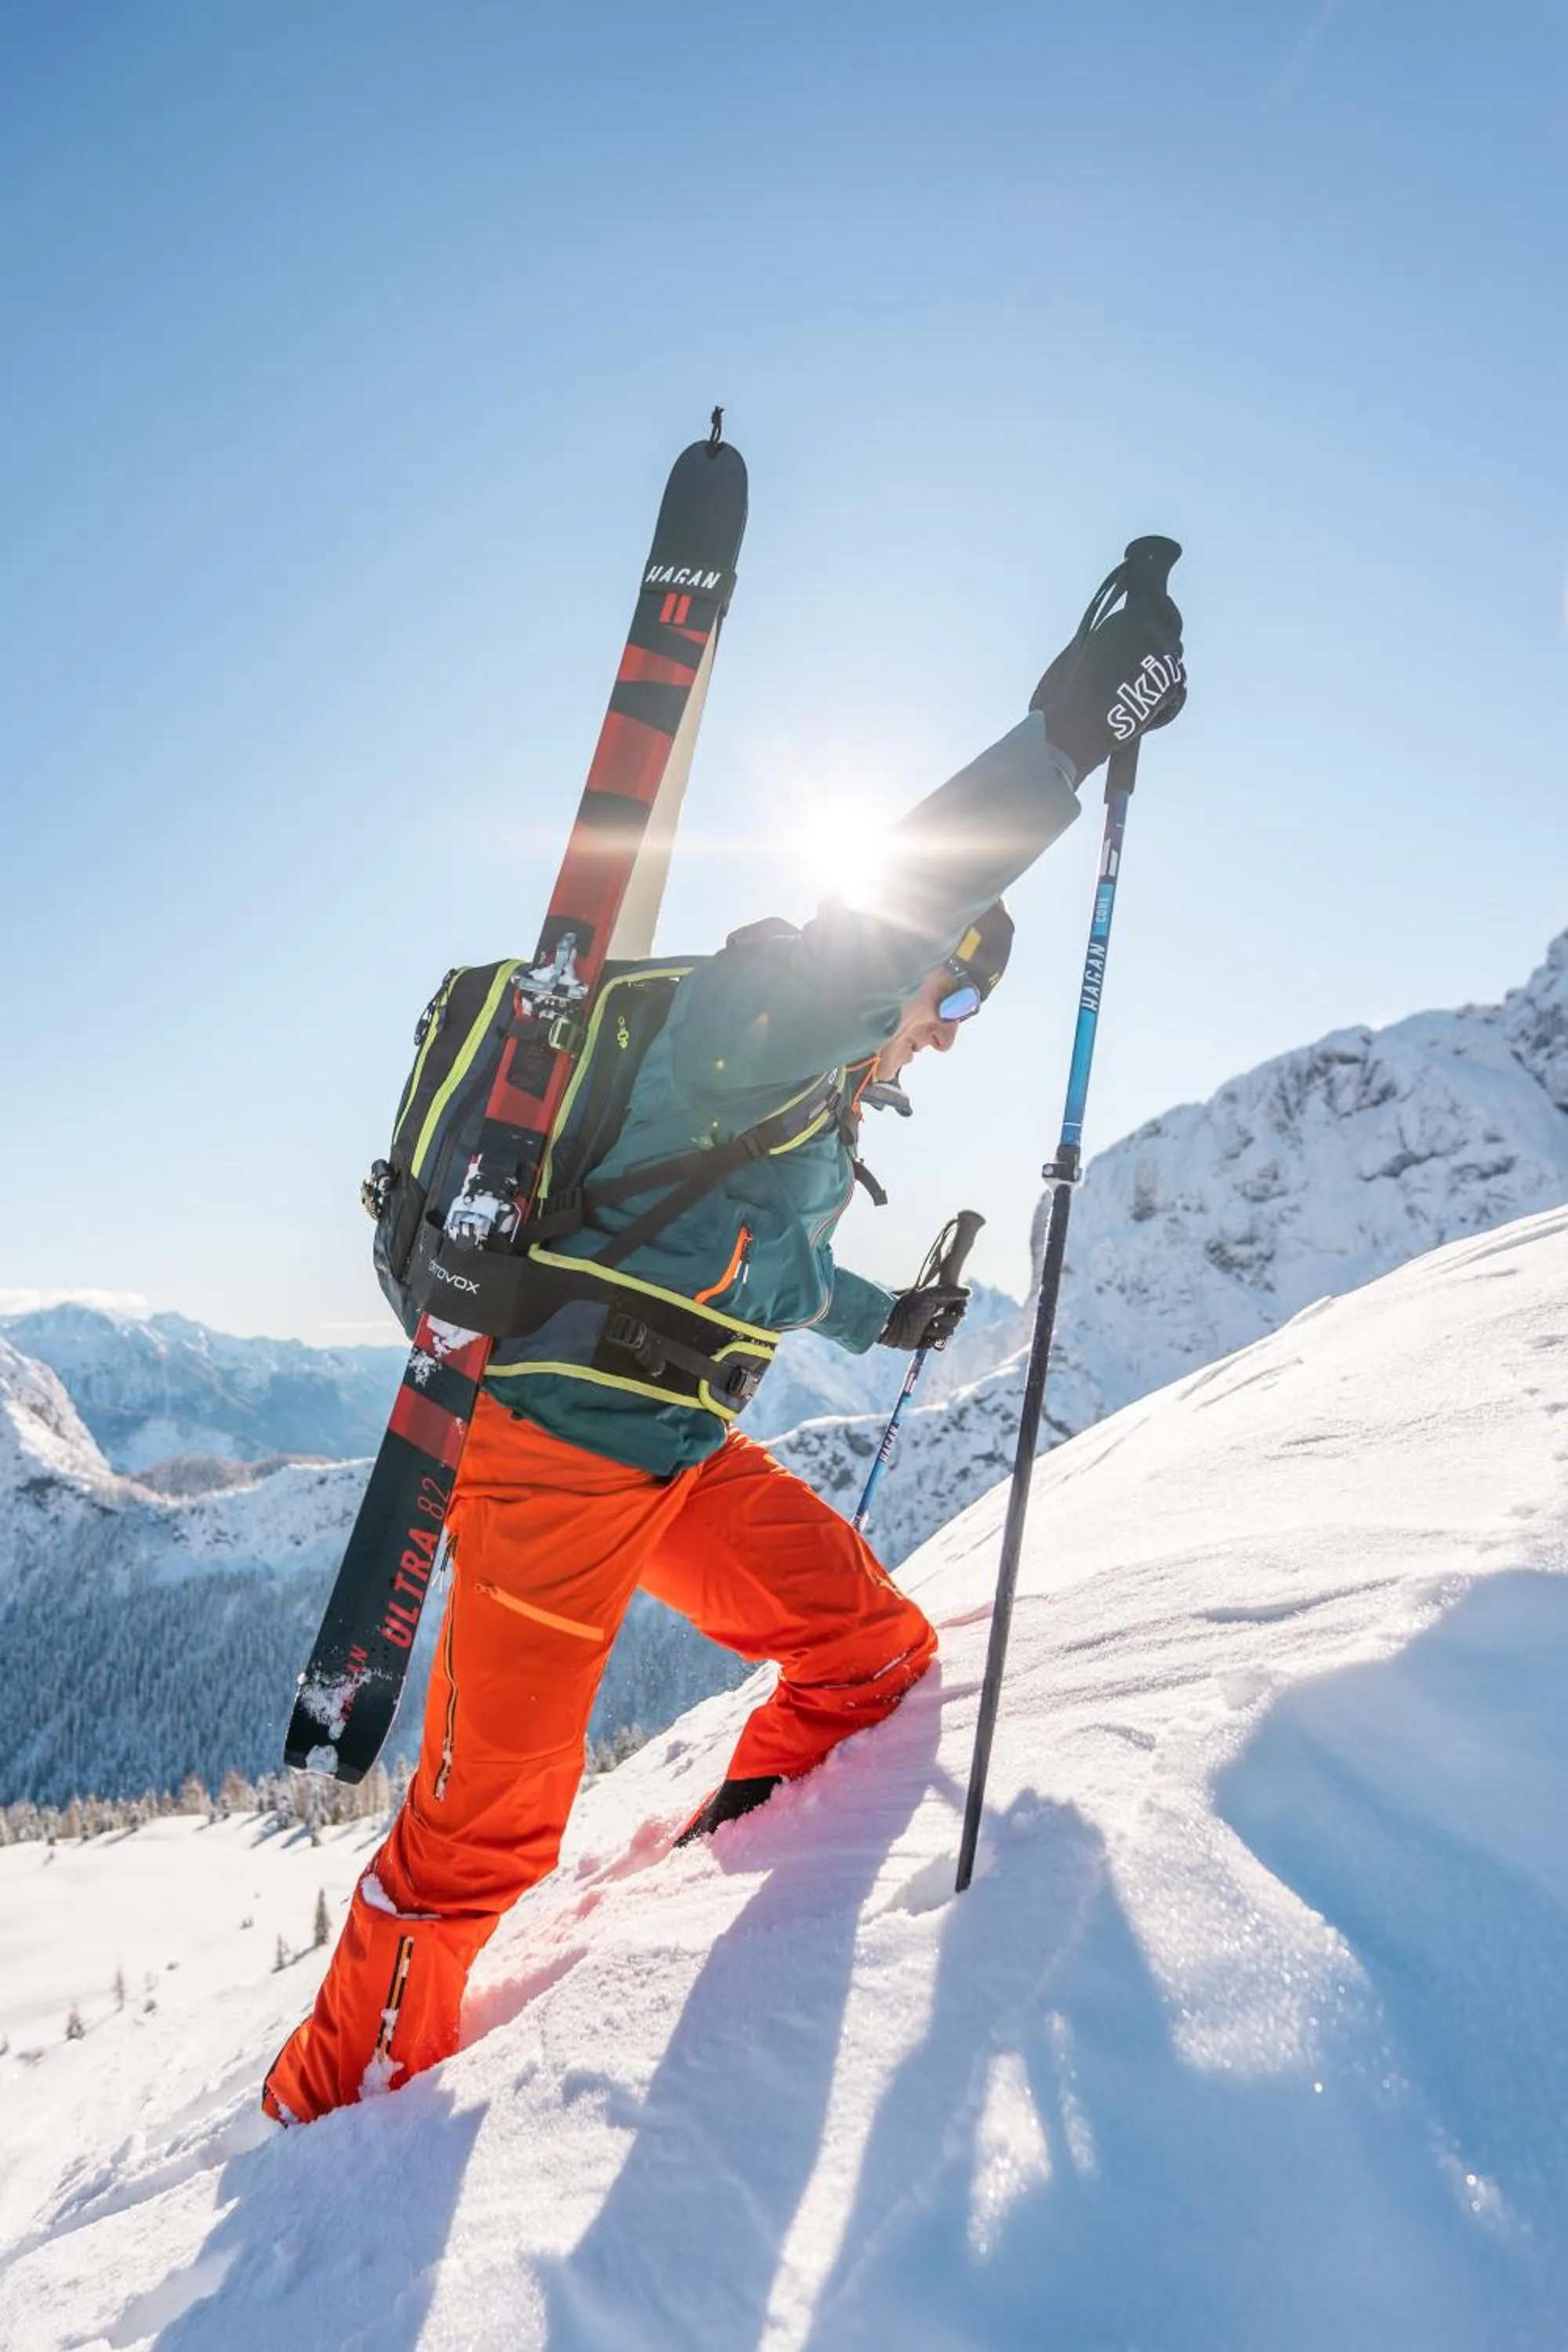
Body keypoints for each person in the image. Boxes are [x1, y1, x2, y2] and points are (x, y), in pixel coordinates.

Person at [263, 564, 1185, 2125]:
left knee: (869, 1657)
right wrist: (1069, 736)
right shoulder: (754, 1017)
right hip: (553, 1460)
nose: (942, 1023)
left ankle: (734, 1852)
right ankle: (332, 2117)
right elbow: (897, 906)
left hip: (678, 1455)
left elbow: (777, 1281)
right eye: (949, 985)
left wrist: (887, 1314)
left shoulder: (809, 1119)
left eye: (963, 1004)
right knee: (485, 1836)